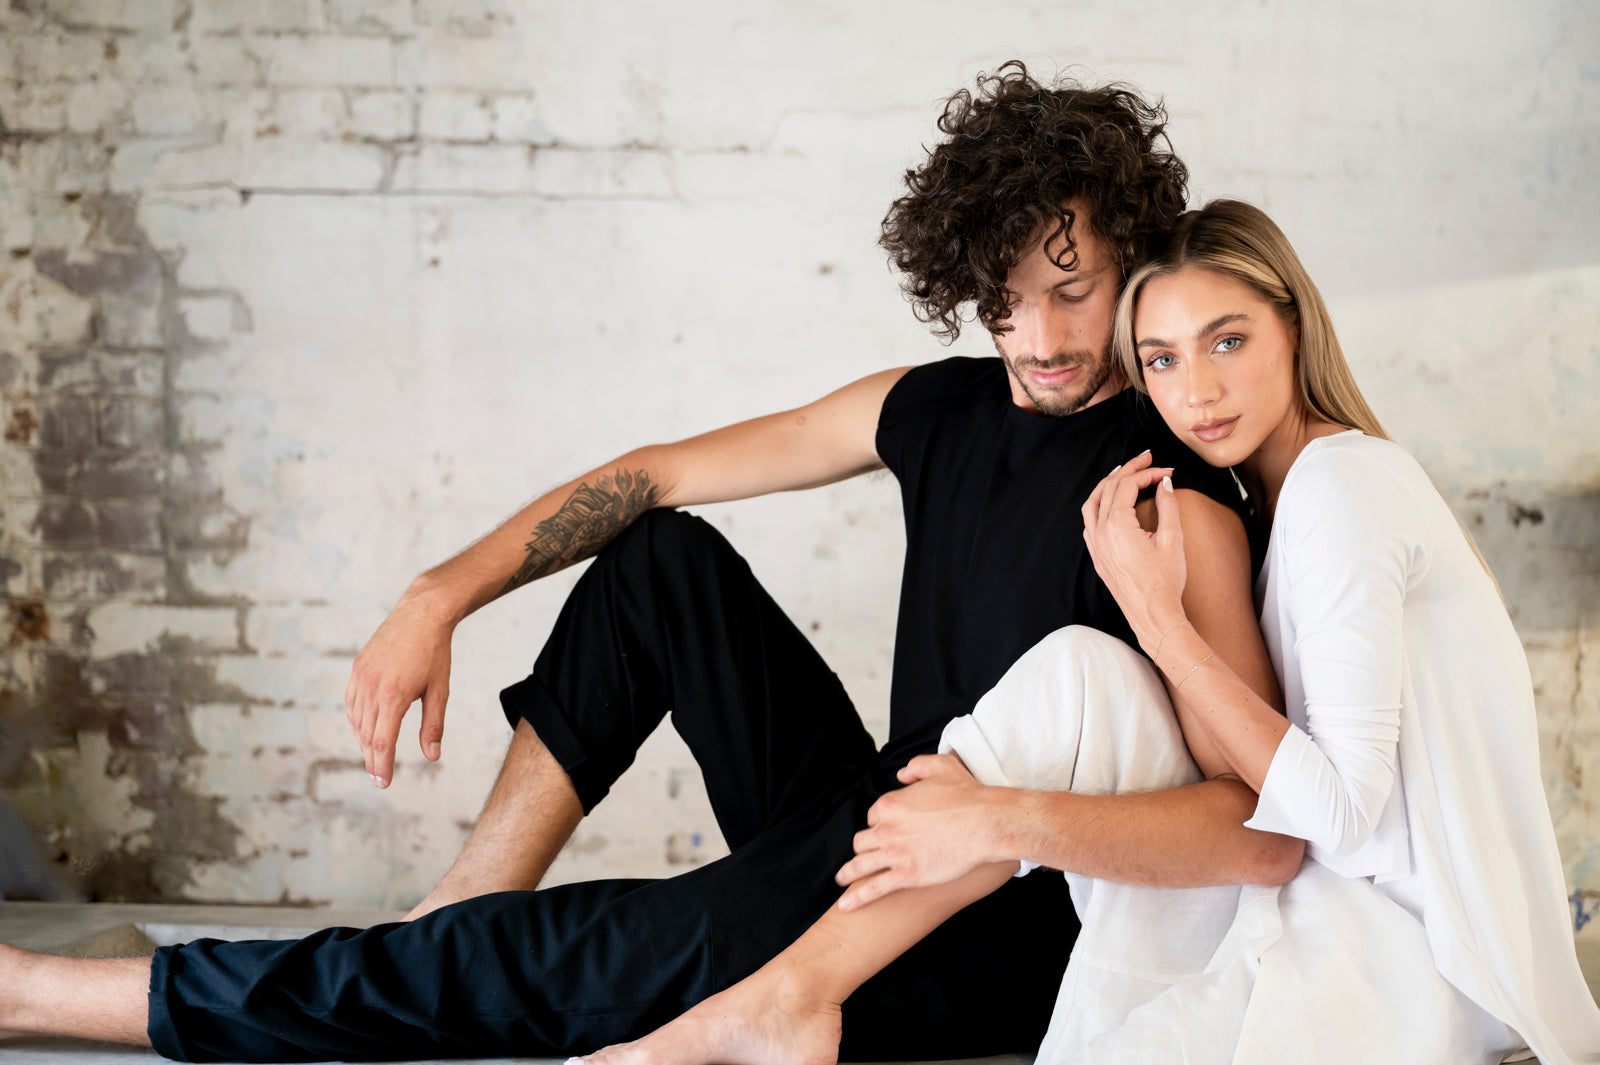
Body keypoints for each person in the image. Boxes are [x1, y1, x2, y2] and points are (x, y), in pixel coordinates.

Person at [0, 69, 1299, 1062]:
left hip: (974, 921)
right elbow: (662, 472)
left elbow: (1259, 822)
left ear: (1134, 261)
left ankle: (57, 992)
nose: (1041, 330)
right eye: (1006, 292)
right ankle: (454, 906)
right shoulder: (943, 406)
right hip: (875, 811)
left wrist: (1000, 822)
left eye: (1075, 288)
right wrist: (439, 592)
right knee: (659, 562)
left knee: (556, 962)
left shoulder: (1167, 488)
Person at [577, 199, 1600, 1065]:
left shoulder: (1339, 486)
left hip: (1401, 960)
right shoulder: (1292, 500)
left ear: (1294, 325)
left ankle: (792, 984)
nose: (1194, 390)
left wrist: (1150, 622)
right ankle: (791, 992)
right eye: (1161, 358)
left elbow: (1333, 818)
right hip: (1317, 912)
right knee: (1077, 672)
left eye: (1228, 340)